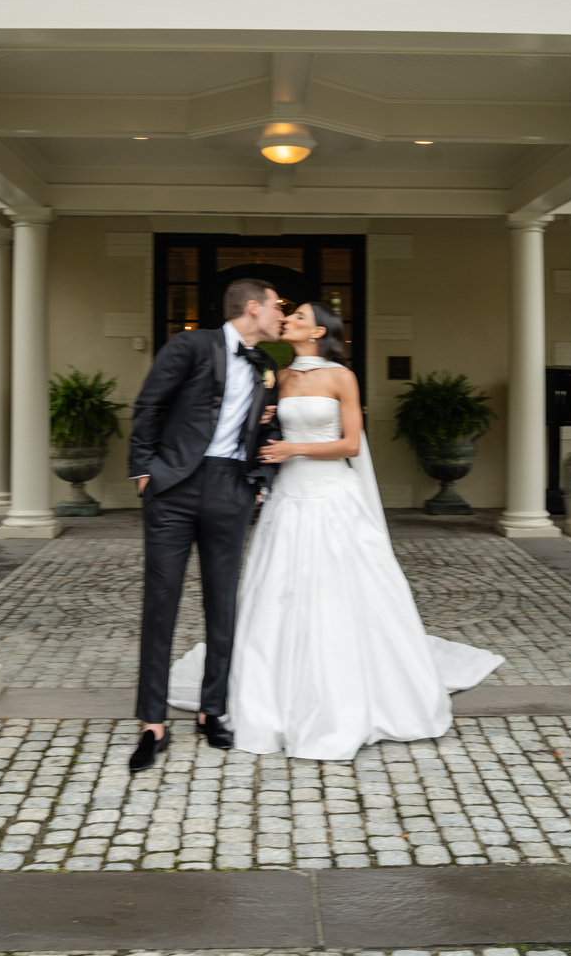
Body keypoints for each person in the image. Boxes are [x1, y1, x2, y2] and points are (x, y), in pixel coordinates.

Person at [170, 300, 503, 762]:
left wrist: (294, 449)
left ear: (318, 332)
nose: (288, 319)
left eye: (299, 317)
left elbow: (349, 444)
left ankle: (349, 693)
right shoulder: (279, 377)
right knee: (278, 592)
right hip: (288, 499)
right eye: (289, 314)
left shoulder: (341, 377)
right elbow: (260, 430)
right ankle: (272, 695)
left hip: (332, 497)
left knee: (338, 592)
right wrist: (263, 444)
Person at [127, 277, 285, 772]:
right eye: (277, 306)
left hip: (231, 488)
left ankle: (211, 710)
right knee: (161, 602)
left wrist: (259, 482)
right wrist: (144, 472)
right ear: (253, 307)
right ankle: (152, 723)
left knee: (223, 604)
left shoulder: (267, 366)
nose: (282, 315)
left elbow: (271, 428)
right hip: (173, 487)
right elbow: (149, 405)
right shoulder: (191, 345)